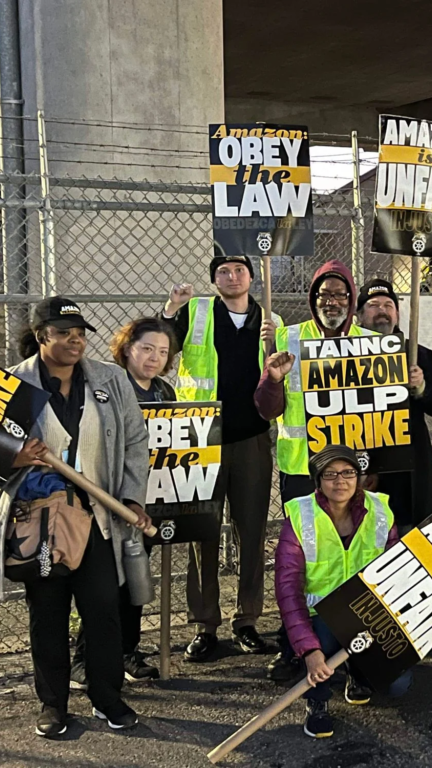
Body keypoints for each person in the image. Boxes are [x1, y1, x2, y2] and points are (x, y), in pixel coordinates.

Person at [0, 297, 153, 737]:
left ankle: (107, 697)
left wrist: (132, 498)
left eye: (80, 333)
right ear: (41, 336)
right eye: (63, 333)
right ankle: (53, 705)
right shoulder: (13, 384)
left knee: (103, 609)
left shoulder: (110, 379)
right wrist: (14, 455)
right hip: (43, 523)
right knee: (48, 613)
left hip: (98, 516)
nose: (75, 341)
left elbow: (135, 441)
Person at [255, 259, 373, 681]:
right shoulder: (288, 338)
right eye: (324, 294)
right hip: (301, 470)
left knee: (351, 559)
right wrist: (272, 378)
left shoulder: (371, 344)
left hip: (352, 474)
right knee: (299, 563)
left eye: (340, 294)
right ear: (313, 299)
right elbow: (267, 409)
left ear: (352, 300)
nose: (332, 302)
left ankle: (352, 646)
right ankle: (295, 645)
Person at [162, 253, 278, 663]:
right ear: (214, 281)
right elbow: (164, 348)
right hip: (201, 438)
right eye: (223, 272)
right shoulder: (195, 311)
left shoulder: (270, 320)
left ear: (251, 277)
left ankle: (247, 619)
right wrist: (171, 308)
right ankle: (204, 624)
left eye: (239, 270)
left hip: (251, 438)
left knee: (252, 531)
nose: (232, 277)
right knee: (203, 533)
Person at [70, 318, 179, 687]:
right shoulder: (109, 385)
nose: (154, 358)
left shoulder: (164, 391)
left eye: (162, 352)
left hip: (149, 500)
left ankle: (127, 651)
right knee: (104, 586)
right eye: (146, 348)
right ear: (127, 347)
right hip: (109, 500)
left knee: (137, 577)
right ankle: (84, 659)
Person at [274, 445, 410, 739]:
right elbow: (288, 590)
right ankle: (317, 700)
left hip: (367, 616)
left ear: (358, 476)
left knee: (398, 684)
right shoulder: (300, 516)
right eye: (330, 474)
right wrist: (309, 650)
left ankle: (357, 671)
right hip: (319, 617)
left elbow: (395, 571)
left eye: (348, 472)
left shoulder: (380, 510)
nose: (340, 481)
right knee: (321, 643)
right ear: (318, 480)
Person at [354, 278, 432, 531]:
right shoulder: (345, 354)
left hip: (409, 467)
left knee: (411, 533)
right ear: (359, 316)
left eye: (388, 305)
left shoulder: (418, 354)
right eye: (373, 305)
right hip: (364, 460)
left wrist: (421, 387)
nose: (382, 311)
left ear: (397, 314)